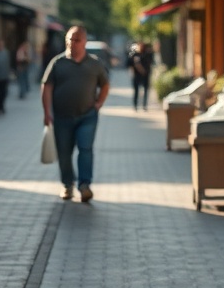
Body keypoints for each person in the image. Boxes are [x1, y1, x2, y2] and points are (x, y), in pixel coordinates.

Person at [41, 25, 110, 202]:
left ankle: (84, 185)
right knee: (64, 153)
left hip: (87, 116)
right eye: (70, 39)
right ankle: (67, 185)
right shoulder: (58, 62)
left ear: (85, 42)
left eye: (77, 40)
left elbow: (105, 84)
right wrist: (46, 112)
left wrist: (99, 103)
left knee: (85, 149)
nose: (73, 43)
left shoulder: (95, 63)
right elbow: (47, 87)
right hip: (62, 116)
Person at [127, 40, 153, 110]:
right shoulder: (134, 54)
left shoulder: (147, 54)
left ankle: (144, 105)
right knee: (136, 91)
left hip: (145, 75)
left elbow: (150, 63)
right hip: (137, 75)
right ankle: (135, 105)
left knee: (145, 91)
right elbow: (130, 64)